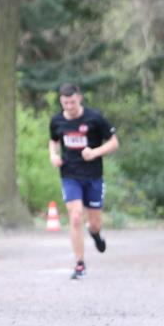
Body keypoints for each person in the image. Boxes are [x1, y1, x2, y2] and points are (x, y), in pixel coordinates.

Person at [48, 83, 119, 279]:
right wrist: (53, 155)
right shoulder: (57, 120)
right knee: (76, 216)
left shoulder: (94, 118)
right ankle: (80, 264)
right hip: (70, 175)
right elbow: (53, 140)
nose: (68, 107)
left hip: (94, 176)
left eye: (71, 102)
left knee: (94, 222)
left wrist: (95, 152)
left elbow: (114, 142)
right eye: (64, 103)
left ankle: (95, 234)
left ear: (79, 98)